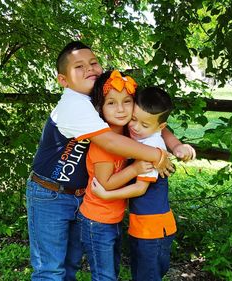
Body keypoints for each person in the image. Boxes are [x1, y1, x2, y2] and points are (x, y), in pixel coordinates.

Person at [26, 41, 195, 281]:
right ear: (63, 80)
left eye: (93, 62)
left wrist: (175, 144)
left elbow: (150, 120)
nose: (89, 69)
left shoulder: (106, 99)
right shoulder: (73, 104)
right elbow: (111, 143)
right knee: (50, 269)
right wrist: (157, 155)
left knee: (70, 264)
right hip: (50, 193)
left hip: (84, 195)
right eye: (79, 66)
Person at [91, 86, 181, 281]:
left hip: (154, 228)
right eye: (133, 119)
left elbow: (141, 188)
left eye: (144, 125)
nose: (135, 127)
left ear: (159, 127)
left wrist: (107, 195)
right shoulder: (140, 137)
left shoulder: (152, 146)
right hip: (143, 225)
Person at [78, 70, 151, 280]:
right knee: (104, 276)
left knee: (112, 272)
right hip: (97, 220)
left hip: (112, 217)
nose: (120, 109)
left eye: (126, 101)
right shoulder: (104, 143)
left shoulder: (128, 133)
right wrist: (135, 169)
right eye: (111, 103)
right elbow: (105, 185)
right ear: (100, 107)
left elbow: (156, 124)